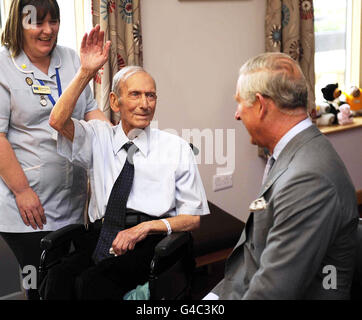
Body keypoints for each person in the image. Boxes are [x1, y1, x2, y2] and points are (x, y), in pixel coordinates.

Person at [41, 25, 209, 300]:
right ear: (115, 102)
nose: (145, 104)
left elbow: (192, 219)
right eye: (135, 95)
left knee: (91, 284)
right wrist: (86, 72)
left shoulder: (176, 148)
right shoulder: (98, 137)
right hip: (101, 233)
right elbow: (57, 121)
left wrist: (144, 228)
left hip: (148, 240)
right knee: (57, 278)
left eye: (151, 95)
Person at [208, 52, 359, 300]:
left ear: (260, 105)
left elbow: (273, 292)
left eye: (239, 103)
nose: (236, 114)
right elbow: (256, 251)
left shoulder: (309, 179)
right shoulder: (293, 153)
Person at [0, 0, 108, 300]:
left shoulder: (72, 59)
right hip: (26, 206)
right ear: (19, 24)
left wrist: (118, 139)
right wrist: (22, 191)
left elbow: (90, 112)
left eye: (54, 21)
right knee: (38, 284)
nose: (48, 30)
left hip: (72, 200)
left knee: (66, 284)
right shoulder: (3, 66)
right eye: (38, 22)